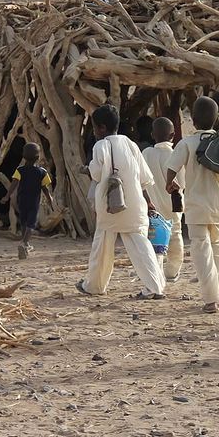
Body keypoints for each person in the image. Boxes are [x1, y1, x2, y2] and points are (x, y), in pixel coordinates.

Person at [76, 104, 166, 299]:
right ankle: (155, 287)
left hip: (109, 205)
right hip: (134, 203)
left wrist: (87, 169)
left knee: (102, 246)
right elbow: (145, 177)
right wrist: (148, 201)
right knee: (141, 246)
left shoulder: (100, 146)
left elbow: (98, 173)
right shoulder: (131, 144)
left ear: (100, 128)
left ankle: (94, 286)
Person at [166, 97, 219, 314]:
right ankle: (217, 292)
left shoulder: (187, 143)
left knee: (200, 248)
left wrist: (169, 183)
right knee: (217, 245)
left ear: (192, 120)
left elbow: (172, 167)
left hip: (195, 205)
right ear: (216, 119)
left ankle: (211, 299)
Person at [142, 117, 185, 282]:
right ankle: (172, 272)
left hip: (153, 208)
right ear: (173, 135)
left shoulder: (146, 153)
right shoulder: (176, 155)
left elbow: (142, 180)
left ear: (152, 135)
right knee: (176, 235)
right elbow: (182, 183)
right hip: (173, 206)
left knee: (154, 242)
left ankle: (156, 273)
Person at [2, 143, 54, 260]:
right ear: (38, 157)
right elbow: (45, 188)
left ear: (23, 157)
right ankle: (24, 243)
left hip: (21, 200)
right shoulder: (42, 172)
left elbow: (14, 184)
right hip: (34, 201)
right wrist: (50, 199)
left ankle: (25, 243)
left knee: (24, 221)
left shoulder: (19, 170)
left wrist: (7, 196)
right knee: (31, 223)